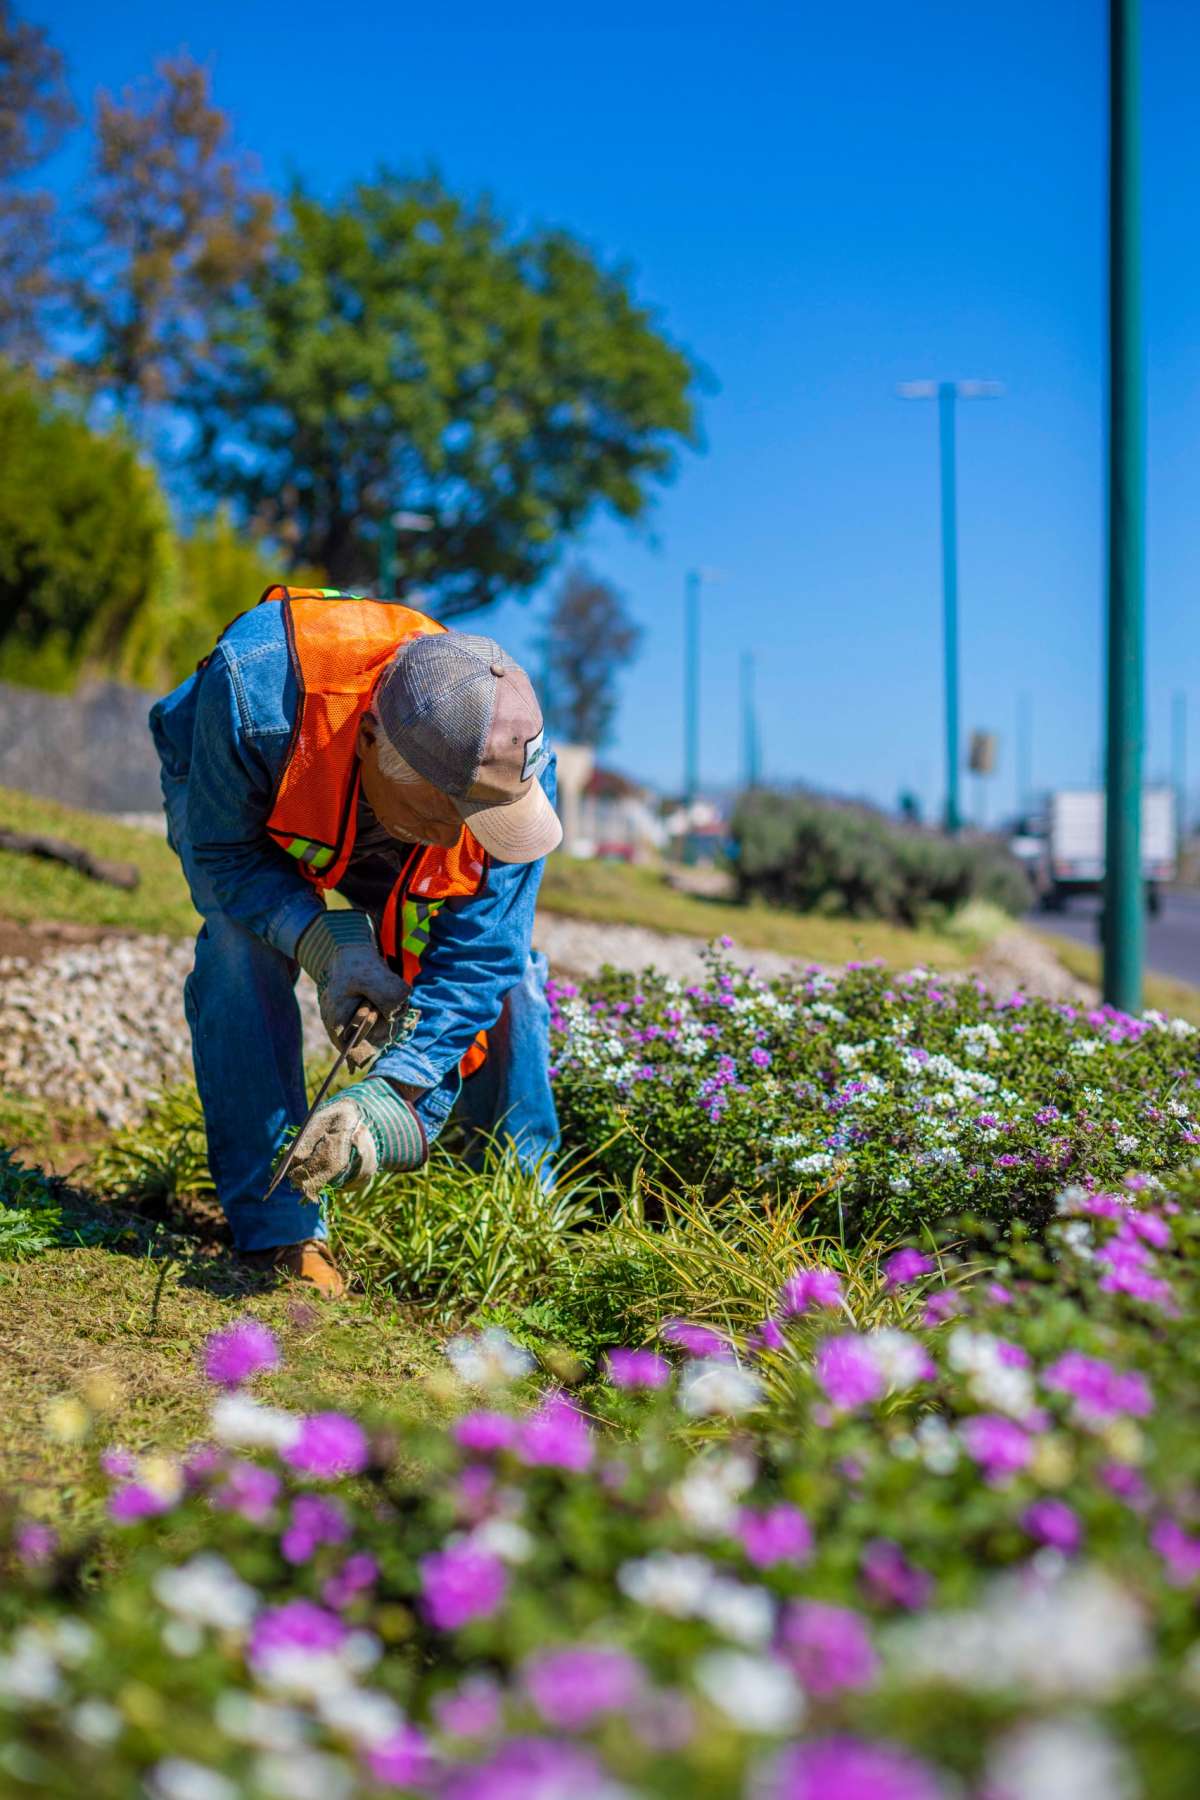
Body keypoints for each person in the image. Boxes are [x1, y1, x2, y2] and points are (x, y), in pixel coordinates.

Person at [149, 583, 563, 1298]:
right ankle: (280, 1230)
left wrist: (393, 1097)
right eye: (454, 814)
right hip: (257, 778)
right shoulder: (252, 702)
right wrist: (326, 945)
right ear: (373, 741)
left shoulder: (509, 756)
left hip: (391, 795)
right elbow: (228, 856)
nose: (469, 840)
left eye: (485, 817)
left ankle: (520, 1208)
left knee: (512, 975)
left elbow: (482, 951)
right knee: (239, 952)